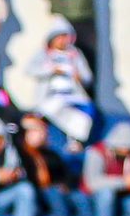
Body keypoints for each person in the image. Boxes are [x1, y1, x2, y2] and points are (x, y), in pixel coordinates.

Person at [29, 16, 96, 148]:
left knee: (84, 115)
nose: (62, 41)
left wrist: (79, 77)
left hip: (72, 94)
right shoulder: (44, 54)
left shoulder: (75, 55)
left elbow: (87, 77)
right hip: (51, 95)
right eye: (59, 37)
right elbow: (30, 70)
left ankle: (76, 140)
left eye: (65, 36)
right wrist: (51, 70)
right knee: (54, 108)